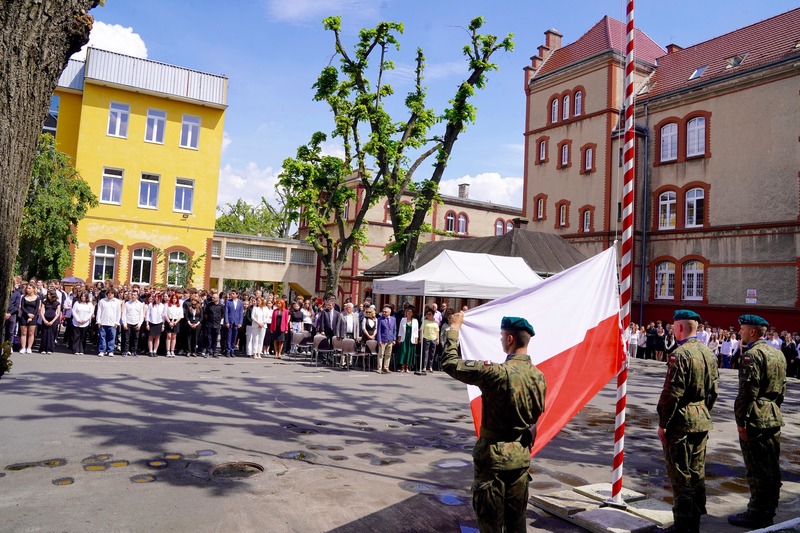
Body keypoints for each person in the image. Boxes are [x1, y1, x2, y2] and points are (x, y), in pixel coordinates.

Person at [441, 314, 546, 533]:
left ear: (509, 340)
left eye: (502, 336)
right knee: (517, 524)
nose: (500, 340)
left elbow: (450, 362)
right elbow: (536, 416)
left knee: (490, 524)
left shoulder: (497, 373)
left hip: (493, 459)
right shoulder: (538, 376)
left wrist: (454, 329)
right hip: (520, 456)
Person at [657, 310, 719, 533]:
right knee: (696, 472)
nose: (673, 330)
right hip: (701, 418)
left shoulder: (680, 354)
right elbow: (713, 391)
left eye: (674, 326)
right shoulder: (708, 353)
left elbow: (672, 393)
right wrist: (702, 411)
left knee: (680, 474)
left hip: (681, 422)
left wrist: (663, 422)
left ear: (680, 328)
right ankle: (694, 521)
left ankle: (683, 525)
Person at [728, 314, 787, 528]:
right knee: (771, 468)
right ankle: (768, 510)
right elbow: (781, 389)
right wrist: (772, 408)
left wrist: (741, 421)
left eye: (742, 329)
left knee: (757, 469)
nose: (740, 332)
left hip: (755, 418)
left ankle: (756, 513)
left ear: (752, 332)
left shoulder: (752, 355)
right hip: (772, 415)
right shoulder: (777, 353)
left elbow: (747, 392)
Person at [95, 288, 120, 357]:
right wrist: (98, 321)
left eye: (111, 293)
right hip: (103, 322)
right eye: (109, 293)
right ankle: (102, 350)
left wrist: (117, 322)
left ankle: (110, 351)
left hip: (112, 322)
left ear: (114, 294)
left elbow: (118, 313)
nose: (110, 294)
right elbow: (99, 311)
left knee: (111, 337)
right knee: (102, 337)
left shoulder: (117, 302)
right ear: (107, 294)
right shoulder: (102, 301)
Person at [17, 283, 40, 354]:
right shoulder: (24, 297)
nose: (28, 289)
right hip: (24, 316)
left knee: (31, 333)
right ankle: (23, 347)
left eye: (29, 288)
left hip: (33, 316)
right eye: (27, 288)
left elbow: (37, 308)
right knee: (23, 333)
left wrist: (32, 315)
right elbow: (22, 307)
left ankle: (29, 347)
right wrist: (27, 314)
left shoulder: (37, 298)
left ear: (33, 289)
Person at [121, 289, 144, 356]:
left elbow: (141, 315)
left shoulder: (140, 304)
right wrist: (124, 323)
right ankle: (125, 351)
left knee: (135, 338)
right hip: (128, 322)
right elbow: (124, 314)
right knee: (126, 338)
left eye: (135, 295)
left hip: (136, 323)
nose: (133, 296)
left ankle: (134, 351)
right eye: (132, 295)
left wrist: (139, 324)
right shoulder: (127, 303)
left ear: (137, 296)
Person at [39, 290, 62, 354]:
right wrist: (44, 320)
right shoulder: (45, 302)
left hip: (53, 320)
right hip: (45, 319)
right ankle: (43, 349)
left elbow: (58, 313)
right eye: (48, 295)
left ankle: (50, 349)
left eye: (50, 295)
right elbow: (42, 311)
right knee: (44, 334)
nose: (48, 296)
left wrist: (52, 321)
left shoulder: (57, 303)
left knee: (51, 335)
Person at [397, 306, 418, 373]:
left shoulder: (415, 321)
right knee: (403, 352)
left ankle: (407, 367)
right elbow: (400, 329)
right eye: (407, 312)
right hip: (404, 338)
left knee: (409, 352)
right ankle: (402, 367)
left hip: (411, 338)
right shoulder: (403, 320)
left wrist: (416, 338)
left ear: (412, 313)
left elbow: (416, 331)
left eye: (410, 312)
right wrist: (399, 337)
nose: (408, 313)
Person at [375, 306, 396, 373]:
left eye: (385, 312)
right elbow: (378, 331)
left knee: (388, 354)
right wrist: (379, 340)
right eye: (383, 311)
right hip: (383, 340)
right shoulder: (380, 319)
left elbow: (394, 330)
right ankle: (379, 368)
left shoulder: (393, 319)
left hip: (390, 340)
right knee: (381, 354)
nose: (384, 313)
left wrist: (394, 339)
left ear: (389, 312)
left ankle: (386, 367)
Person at [203, 293, 224, 357]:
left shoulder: (221, 306)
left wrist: (219, 319)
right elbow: (206, 314)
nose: (213, 299)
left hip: (217, 324)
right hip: (209, 324)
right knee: (209, 338)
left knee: (215, 339)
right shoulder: (209, 305)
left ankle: (214, 351)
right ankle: (208, 351)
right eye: (212, 297)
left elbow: (222, 314)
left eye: (214, 298)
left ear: (218, 298)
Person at [223, 290, 243, 357]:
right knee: (229, 337)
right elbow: (226, 312)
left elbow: (241, 313)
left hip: (236, 322)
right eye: (231, 294)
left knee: (234, 337)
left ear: (237, 295)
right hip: (230, 321)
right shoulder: (228, 301)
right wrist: (227, 321)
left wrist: (240, 322)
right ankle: (228, 351)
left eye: (233, 294)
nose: (232, 295)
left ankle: (232, 351)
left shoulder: (240, 302)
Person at [145, 292, 165, 357]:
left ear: (160, 298)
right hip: (151, 322)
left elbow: (163, 316)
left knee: (157, 338)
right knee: (150, 337)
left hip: (159, 323)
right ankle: (150, 351)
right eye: (155, 297)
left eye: (157, 298)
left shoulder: (162, 306)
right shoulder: (151, 305)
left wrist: (163, 325)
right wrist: (147, 323)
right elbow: (147, 314)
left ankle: (155, 351)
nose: (156, 299)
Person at [163, 293, 183, 357]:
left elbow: (180, 315)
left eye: (175, 298)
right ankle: (168, 351)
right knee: (169, 336)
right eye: (173, 298)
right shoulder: (167, 305)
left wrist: (175, 322)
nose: (174, 299)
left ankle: (172, 351)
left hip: (176, 322)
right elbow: (165, 314)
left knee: (174, 337)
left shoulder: (179, 306)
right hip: (169, 321)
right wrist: (169, 322)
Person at [421, 307, 439, 373]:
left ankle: (430, 366)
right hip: (426, 338)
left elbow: (437, 331)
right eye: (427, 314)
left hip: (433, 338)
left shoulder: (436, 322)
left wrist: (438, 339)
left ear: (433, 315)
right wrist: (421, 338)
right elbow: (421, 330)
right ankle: (424, 366)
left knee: (432, 353)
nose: (428, 315)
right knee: (425, 353)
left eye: (430, 314)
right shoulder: (425, 321)